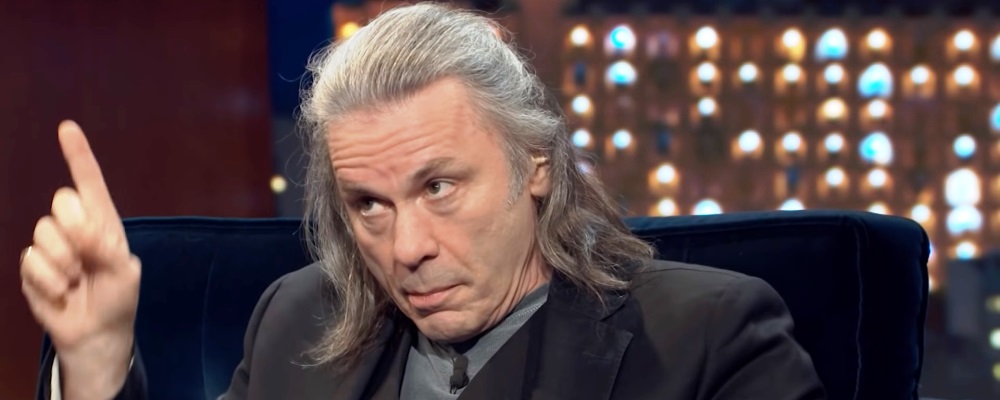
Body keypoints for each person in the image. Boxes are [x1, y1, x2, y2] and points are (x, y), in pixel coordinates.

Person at [22, 3, 826, 399]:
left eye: (439, 187)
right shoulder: (293, 321)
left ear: (536, 164)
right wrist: (95, 360)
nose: (407, 248)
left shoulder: (712, 337)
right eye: (368, 205)